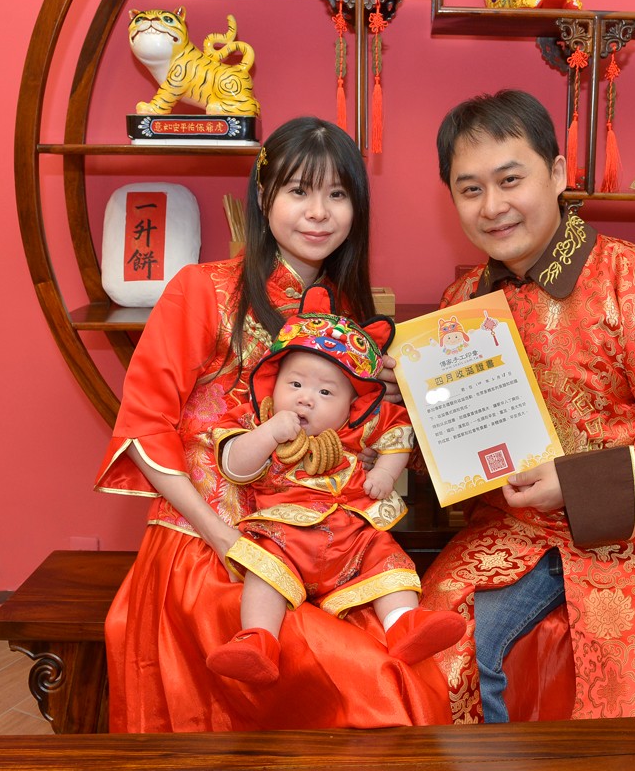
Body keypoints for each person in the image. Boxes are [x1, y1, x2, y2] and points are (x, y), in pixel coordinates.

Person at [94, 116, 450, 732]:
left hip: (326, 543)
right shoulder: (203, 290)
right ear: (263, 196)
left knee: (411, 671)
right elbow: (145, 428)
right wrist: (223, 540)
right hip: (211, 546)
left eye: (337, 194)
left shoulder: (348, 314)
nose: (319, 213)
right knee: (368, 685)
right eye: (299, 191)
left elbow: (355, 447)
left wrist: (390, 412)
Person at [418, 90, 635, 723]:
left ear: (557, 172)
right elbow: (457, 449)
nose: (492, 207)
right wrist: (406, 407)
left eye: (510, 180)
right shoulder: (460, 304)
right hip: (511, 531)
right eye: (470, 189)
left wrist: (575, 484)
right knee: (427, 662)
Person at [204, 284, 465, 684]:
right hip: (284, 536)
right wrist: (268, 433)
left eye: (325, 392)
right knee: (263, 571)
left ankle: (404, 624)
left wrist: (384, 473)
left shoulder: (353, 431)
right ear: (273, 381)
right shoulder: (260, 420)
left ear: (350, 406)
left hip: (352, 537)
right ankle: (258, 639)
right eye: (295, 384)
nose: (306, 398)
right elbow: (235, 467)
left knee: (387, 560)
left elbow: (398, 437)